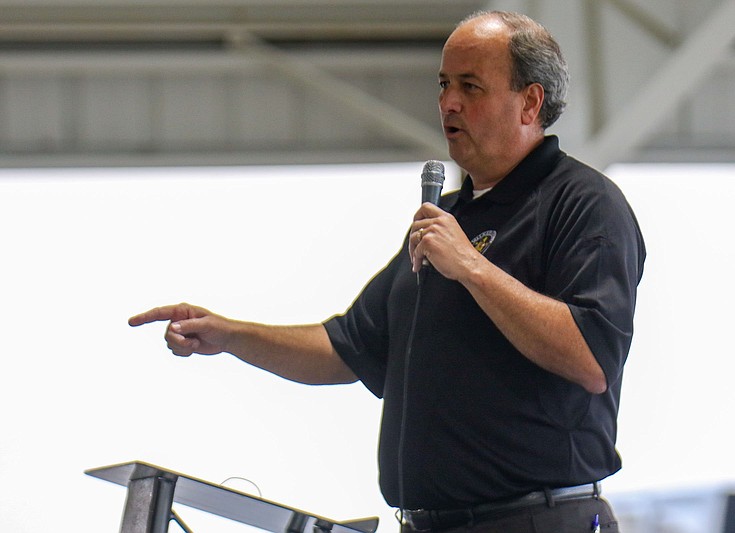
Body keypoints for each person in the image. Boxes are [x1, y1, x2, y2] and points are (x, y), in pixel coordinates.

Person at [129, 10, 645, 533]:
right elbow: (348, 348)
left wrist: (472, 267)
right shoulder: (448, 221)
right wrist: (228, 334)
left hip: (537, 518)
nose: (448, 102)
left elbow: (592, 359)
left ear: (530, 103)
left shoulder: (583, 203)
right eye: (444, 84)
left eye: (470, 86)